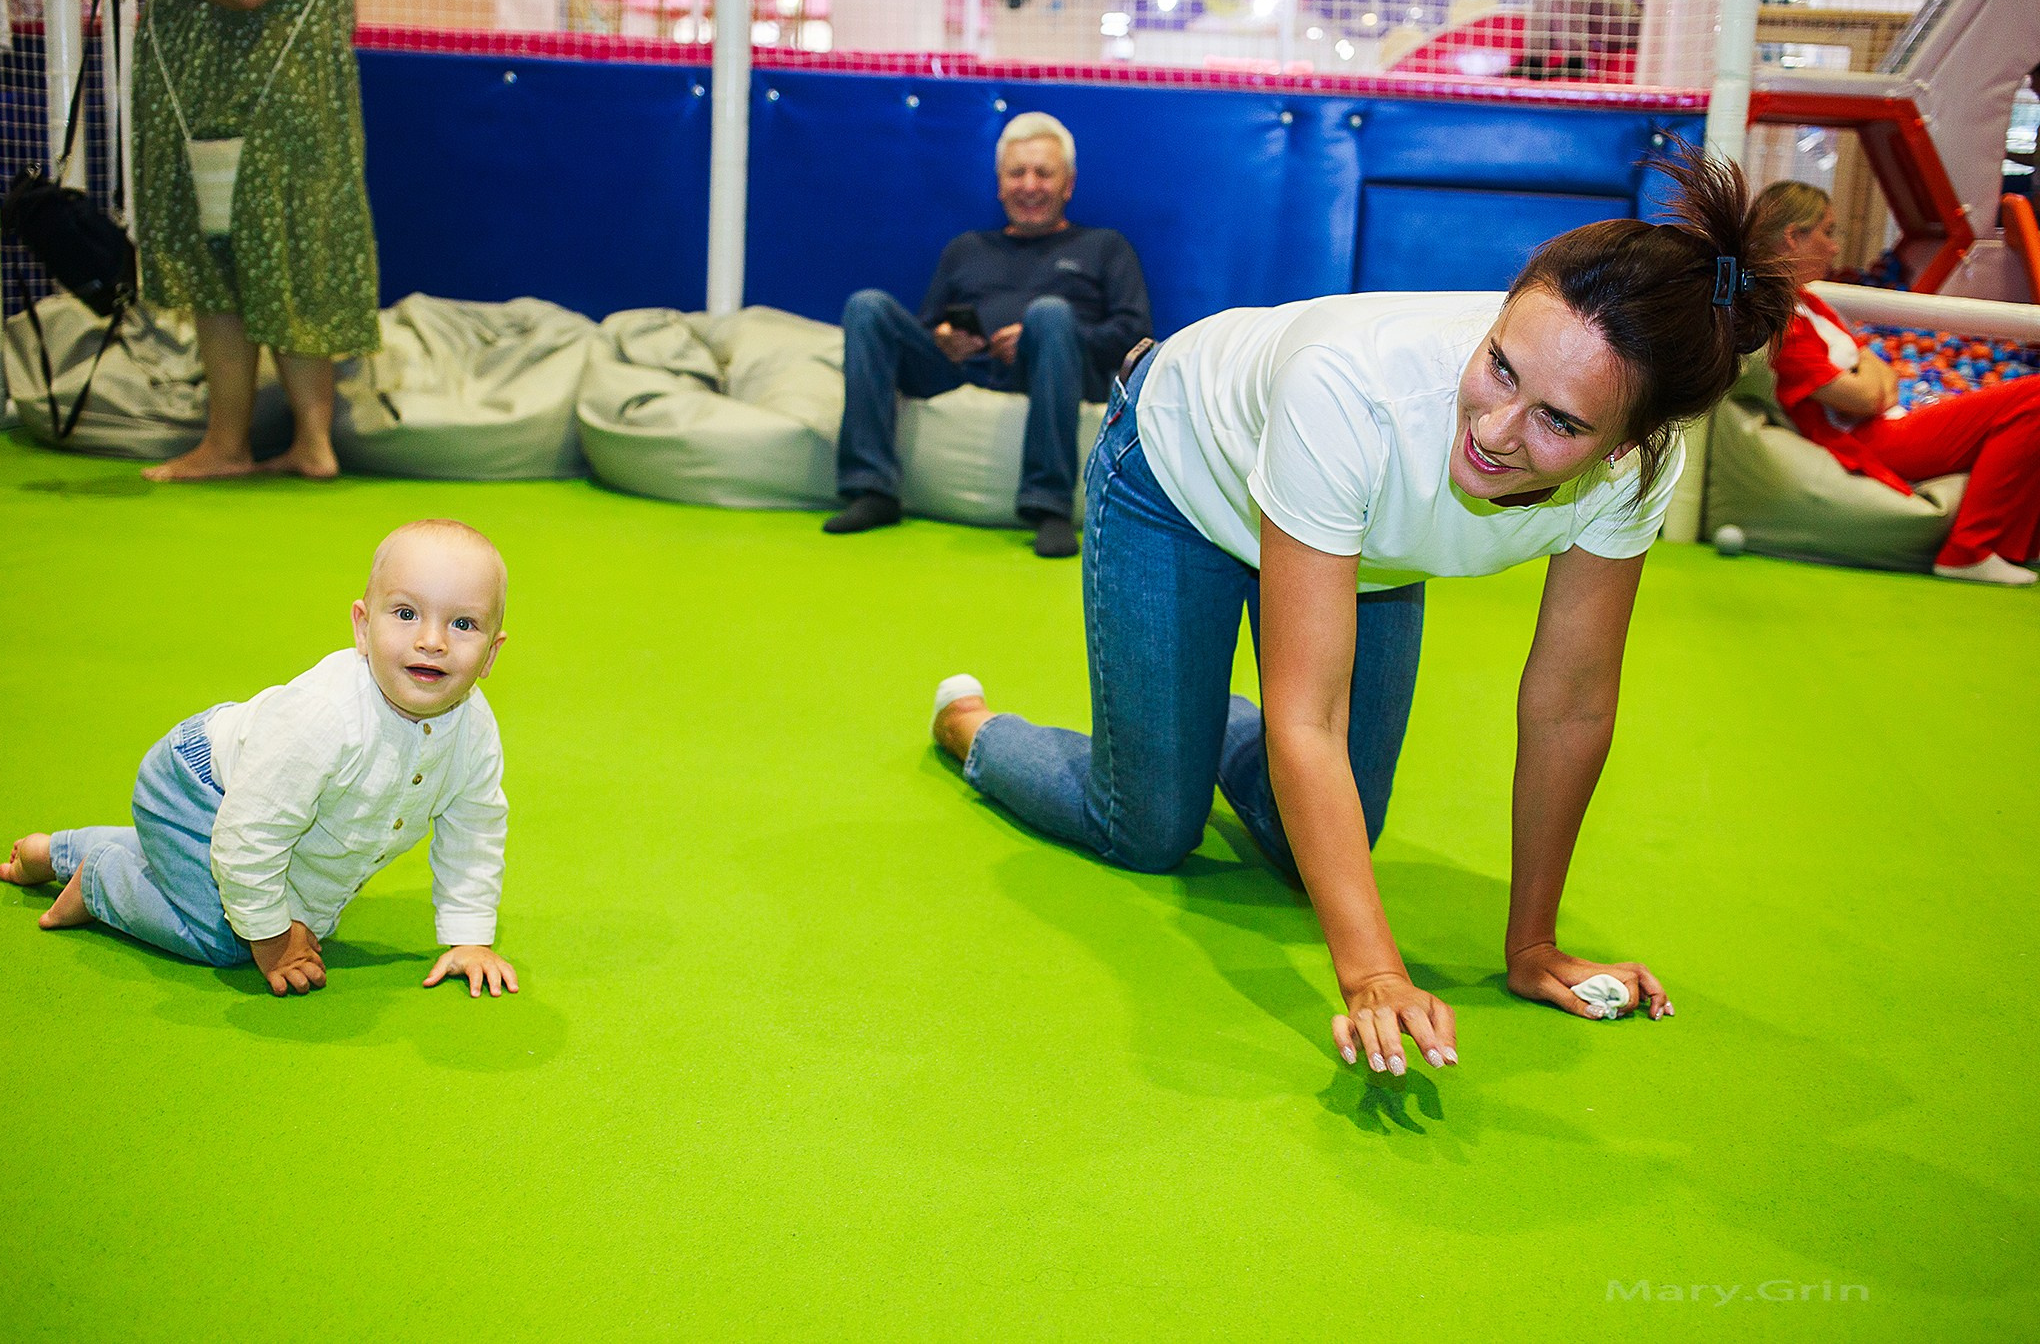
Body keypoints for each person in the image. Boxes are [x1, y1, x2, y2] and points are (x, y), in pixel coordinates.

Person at [928, 148, 1797, 1075]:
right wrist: (1375, 973)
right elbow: (1309, 719)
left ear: (1628, 442)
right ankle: (973, 727)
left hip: (1363, 547)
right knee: (1146, 829)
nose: (1495, 429)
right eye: (1500, 366)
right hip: (1180, 474)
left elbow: (1572, 705)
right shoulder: (1354, 387)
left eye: (1560, 422)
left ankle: (1183, 714)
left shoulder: (1635, 473)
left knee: (1309, 833)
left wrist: (1533, 945)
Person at [0, 521, 518, 999]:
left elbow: (475, 829)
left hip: (253, 803)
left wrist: (469, 938)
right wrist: (271, 941)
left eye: (463, 624)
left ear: (491, 654)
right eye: (405, 614)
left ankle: (62, 852)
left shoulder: (473, 729)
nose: (431, 641)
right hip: (195, 787)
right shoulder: (324, 717)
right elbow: (249, 834)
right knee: (227, 935)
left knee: (286, 906)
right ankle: (101, 878)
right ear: (362, 627)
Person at [825, 112, 1152, 558]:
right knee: (867, 307)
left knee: (1050, 314)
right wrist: (944, 338)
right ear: (999, 184)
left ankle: (1050, 506)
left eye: (1043, 173)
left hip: (1058, 371)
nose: (1029, 185)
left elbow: (1135, 335)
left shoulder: (1105, 247)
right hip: (965, 370)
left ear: (1068, 184)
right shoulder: (966, 249)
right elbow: (924, 329)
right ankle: (870, 488)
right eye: (1017, 174)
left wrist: (1047, 335)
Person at [133, 0, 379, 482]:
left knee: (227, 256)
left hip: (252, 85)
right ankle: (308, 443)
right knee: (285, 255)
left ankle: (231, 444)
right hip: (265, 82)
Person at [1753, 180, 2040, 586]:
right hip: (1870, 440)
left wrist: (1871, 378)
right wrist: (1870, 378)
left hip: (1890, 420)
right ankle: (1968, 551)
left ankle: (2017, 545)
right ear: (1792, 237)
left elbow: (1881, 374)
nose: (1834, 248)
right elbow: (1866, 396)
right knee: (2033, 396)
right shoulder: (1782, 321)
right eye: (1827, 232)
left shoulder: (1810, 303)